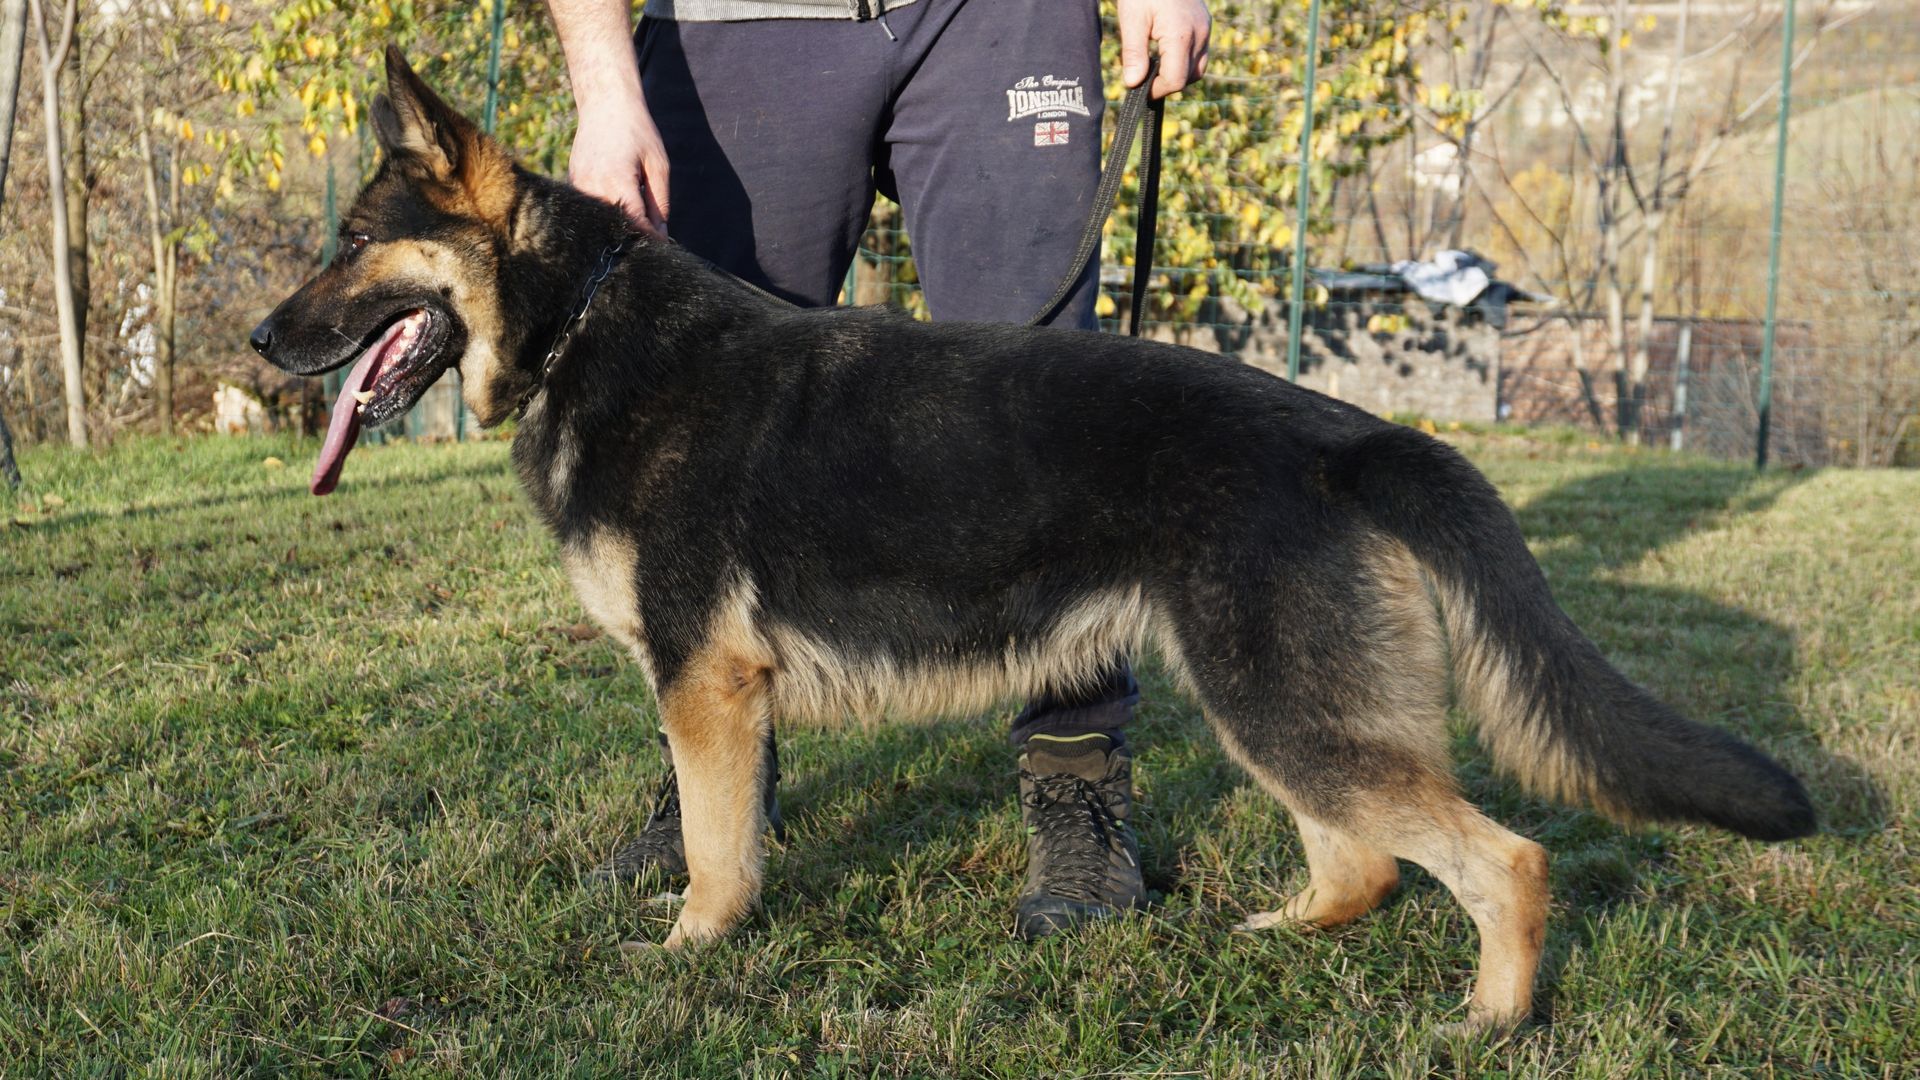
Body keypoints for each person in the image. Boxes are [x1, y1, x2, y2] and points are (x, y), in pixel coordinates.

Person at [548, 0, 1209, 939]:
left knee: (1045, 412)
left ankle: (1077, 771)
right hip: (734, 24)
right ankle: (714, 786)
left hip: (999, 20)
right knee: (698, 417)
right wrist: (606, 91)